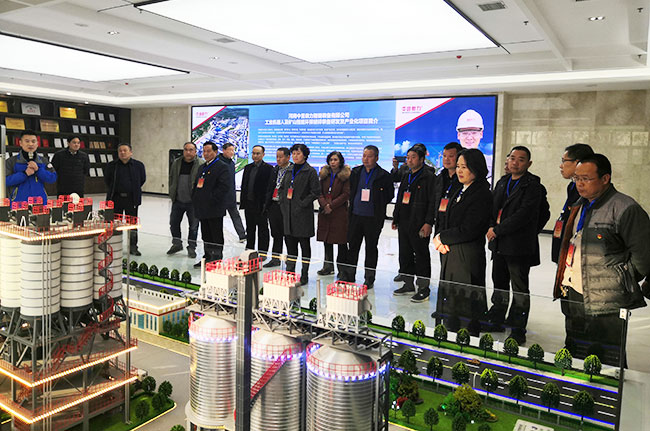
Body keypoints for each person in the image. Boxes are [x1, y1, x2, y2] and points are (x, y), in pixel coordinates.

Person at [554, 154, 650, 366]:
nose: (579, 184)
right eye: (576, 178)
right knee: (577, 350)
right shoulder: (580, 205)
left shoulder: (625, 208)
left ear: (605, 178)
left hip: (607, 298)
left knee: (606, 358)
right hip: (574, 291)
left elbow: (643, 257)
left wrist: (619, 279)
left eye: (585, 179)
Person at [486, 146, 549, 344]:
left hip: (518, 246)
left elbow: (526, 215)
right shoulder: (502, 182)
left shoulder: (532, 186)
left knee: (519, 287)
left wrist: (503, 230)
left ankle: (518, 327)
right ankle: (497, 318)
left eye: (521, 159)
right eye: (512, 158)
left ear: (529, 163)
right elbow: (492, 208)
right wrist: (491, 226)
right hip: (499, 244)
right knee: (499, 283)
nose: (515, 162)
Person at [432, 149, 492, 335]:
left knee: (465, 299)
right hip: (452, 251)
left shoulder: (481, 193)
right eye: (458, 166)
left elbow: (470, 229)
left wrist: (442, 237)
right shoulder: (461, 188)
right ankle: (450, 328)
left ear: (476, 168)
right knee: (451, 296)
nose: (459, 170)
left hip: (467, 254)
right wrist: (440, 237)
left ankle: (465, 335)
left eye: (464, 167)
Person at [345, 145, 394, 288]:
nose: (366, 159)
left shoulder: (383, 175)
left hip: (373, 217)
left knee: (371, 248)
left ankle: (369, 277)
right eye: (364, 156)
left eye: (370, 156)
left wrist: (378, 202)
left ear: (377, 158)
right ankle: (350, 275)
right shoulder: (356, 172)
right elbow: (351, 190)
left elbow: (389, 194)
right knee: (352, 247)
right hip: (356, 215)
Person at [392, 145, 436, 302]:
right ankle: (408, 283)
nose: (409, 160)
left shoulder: (428, 177)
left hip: (419, 222)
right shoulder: (406, 174)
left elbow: (432, 202)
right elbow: (400, 197)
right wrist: (396, 217)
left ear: (422, 159)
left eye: (413, 157)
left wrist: (428, 222)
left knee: (421, 254)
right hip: (404, 220)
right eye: (408, 157)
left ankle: (423, 287)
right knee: (405, 253)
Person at [279, 143, 320, 285]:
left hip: (303, 215)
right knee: (290, 246)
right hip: (288, 214)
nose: (295, 156)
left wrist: (302, 203)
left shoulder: (310, 171)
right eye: (294, 153)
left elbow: (315, 192)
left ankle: (304, 273)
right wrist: (283, 202)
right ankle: (290, 272)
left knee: (304, 246)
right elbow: (282, 188)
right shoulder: (289, 170)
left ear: (305, 155)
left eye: (298, 153)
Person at [191, 142, 233, 266]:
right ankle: (207, 256)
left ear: (215, 152)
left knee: (216, 234)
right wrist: (195, 198)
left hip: (214, 208)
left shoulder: (222, 167)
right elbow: (197, 185)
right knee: (206, 234)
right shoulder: (202, 167)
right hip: (202, 208)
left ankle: (216, 258)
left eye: (208, 151)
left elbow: (223, 188)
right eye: (204, 151)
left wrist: (210, 199)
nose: (206, 154)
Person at [552, 143, 594, 263]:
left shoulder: (589, 192)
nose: (561, 166)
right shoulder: (572, 186)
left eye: (564, 161)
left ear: (577, 162)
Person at [105, 143, 146, 256]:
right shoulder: (112, 165)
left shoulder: (138, 165)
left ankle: (133, 246)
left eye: (125, 150)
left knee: (132, 224)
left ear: (130, 152)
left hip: (131, 199)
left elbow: (142, 179)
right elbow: (107, 180)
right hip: (115, 198)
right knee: (114, 224)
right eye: (120, 151)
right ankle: (114, 245)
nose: (122, 153)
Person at [316, 151, 350, 277]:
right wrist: (324, 205)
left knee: (341, 242)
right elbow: (319, 192)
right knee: (327, 240)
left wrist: (331, 205)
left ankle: (342, 269)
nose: (333, 162)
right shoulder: (324, 175)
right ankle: (328, 266)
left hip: (339, 213)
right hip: (325, 212)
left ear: (340, 161)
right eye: (331, 160)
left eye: (335, 159)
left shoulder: (345, 176)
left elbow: (346, 194)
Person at [167, 141, 203, 258]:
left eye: (191, 150)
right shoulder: (177, 163)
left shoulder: (200, 164)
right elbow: (171, 178)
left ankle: (191, 247)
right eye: (186, 150)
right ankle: (177, 244)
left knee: (193, 227)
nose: (188, 152)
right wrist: (172, 193)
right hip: (178, 200)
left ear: (195, 151)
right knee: (173, 223)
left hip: (193, 202)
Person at [6, 130, 57, 203]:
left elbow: (52, 178)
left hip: (40, 203)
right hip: (19, 203)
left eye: (33, 141)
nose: (30, 144)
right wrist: (24, 174)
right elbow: (5, 181)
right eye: (27, 141)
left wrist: (38, 170)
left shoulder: (43, 160)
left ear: (37, 143)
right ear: (20, 143)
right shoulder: (11, 161)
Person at [240, 145, 272, 257]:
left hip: (261, 205)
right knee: (250, 228)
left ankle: (263, 252)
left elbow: (269, 188)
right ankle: (249, 251)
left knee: (262, 229)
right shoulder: (248, 167)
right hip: (249, 203)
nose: (255, 155)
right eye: (253, 153)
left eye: (258, 153)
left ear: (263, 155)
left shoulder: (268, 169)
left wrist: (266, 204)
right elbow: (244, 185)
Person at [263, 147, 292, 268]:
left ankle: (290, 260)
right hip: (274, 205)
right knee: (276, 234)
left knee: (288, 235)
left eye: (281, 157)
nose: (278, 159)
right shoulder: (275, 169)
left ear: (288, 157)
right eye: (277, 157)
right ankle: (275, 259)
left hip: (286, 206)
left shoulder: (292, 170)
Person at [433, 142, 463, 234]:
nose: (446, 159)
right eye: (444, 156)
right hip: (440, 223)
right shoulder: (440, 177)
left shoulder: (463, 179)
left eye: (451, 156)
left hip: (456, 227)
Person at [221, 143, 246, 242]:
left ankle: (242, 235)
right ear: (224, 150)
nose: (232, 152)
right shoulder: (218, 163)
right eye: (230, 150)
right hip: (220, 196)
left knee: (235, 215)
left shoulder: (231, 163)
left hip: (230, 195)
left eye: (233, 150)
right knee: (218, 218)